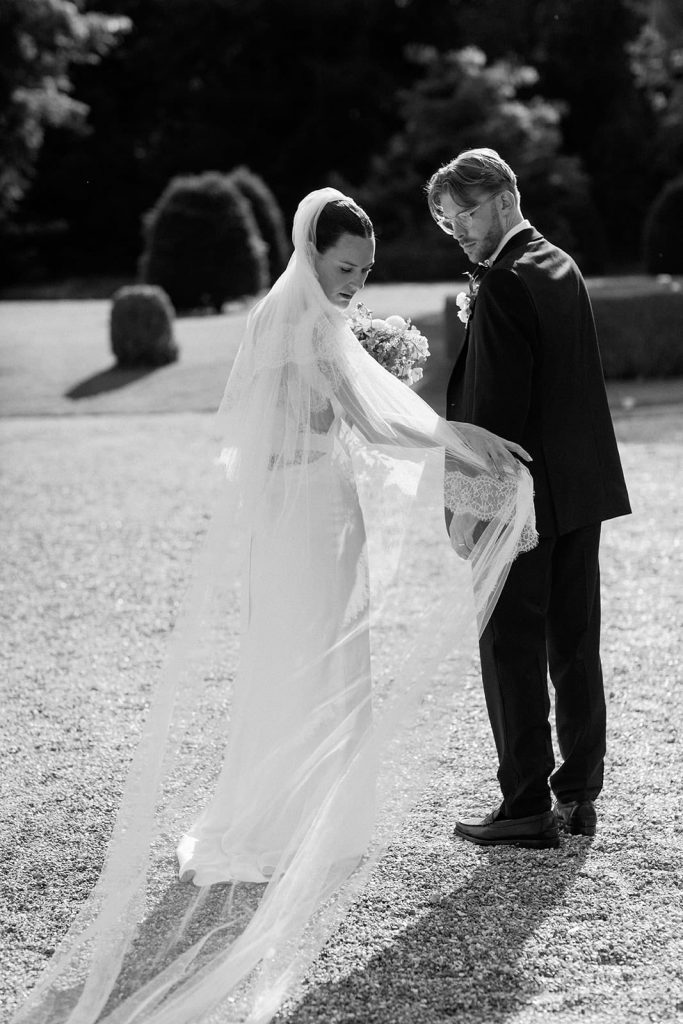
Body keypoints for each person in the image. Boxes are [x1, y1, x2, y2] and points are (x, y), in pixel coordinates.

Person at [12, 188, 536, 1024]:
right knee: (309, 652)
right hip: (307, 512)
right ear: (310, 253)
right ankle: (285, 817)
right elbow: (368, 419)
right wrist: (458, 436)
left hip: (306, 505)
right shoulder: (299, 319)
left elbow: (338, 409)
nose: (354, 286)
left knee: (311, 651)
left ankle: (296, 803)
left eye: (364, 272)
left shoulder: (298, 312)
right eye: (344, 268)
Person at [427, 149, 631, 849]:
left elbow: (492, 415)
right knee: (574, 643)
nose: (458, 232)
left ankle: (523, 804)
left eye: (465, 216)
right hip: (577, 491)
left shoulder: (507, 281)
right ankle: (577, 796)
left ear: (503, 199)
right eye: (449, 223)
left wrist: (466, 504)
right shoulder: (558, 263)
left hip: (519, 501)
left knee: (509, 646)